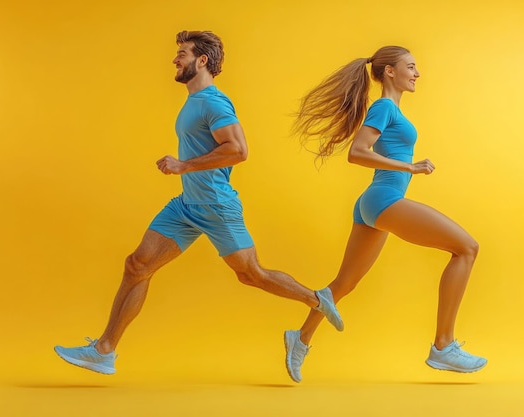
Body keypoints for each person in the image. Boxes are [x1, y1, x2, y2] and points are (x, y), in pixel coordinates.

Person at [54, 30, 343, 375]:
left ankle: (317, 300)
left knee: (251, 275)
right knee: (137, 266)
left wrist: (183, 165)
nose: (175, 59)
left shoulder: (212, 101)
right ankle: (104, 351)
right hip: (187, 205)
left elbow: (238, 150)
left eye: (182, 53)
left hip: (215, 205)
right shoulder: (194, 101)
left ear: (201, 60)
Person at [284, 46, 487, 383]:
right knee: (467, 248)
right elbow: (357, 153)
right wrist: (410, 165)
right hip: (384, 199)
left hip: (373, 203)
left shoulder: (391, 110)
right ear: (390, 71)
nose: (417, 72)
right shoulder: (383, 107)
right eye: (410, 66)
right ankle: (443, 346)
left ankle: (300, 338)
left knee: (344, 283)